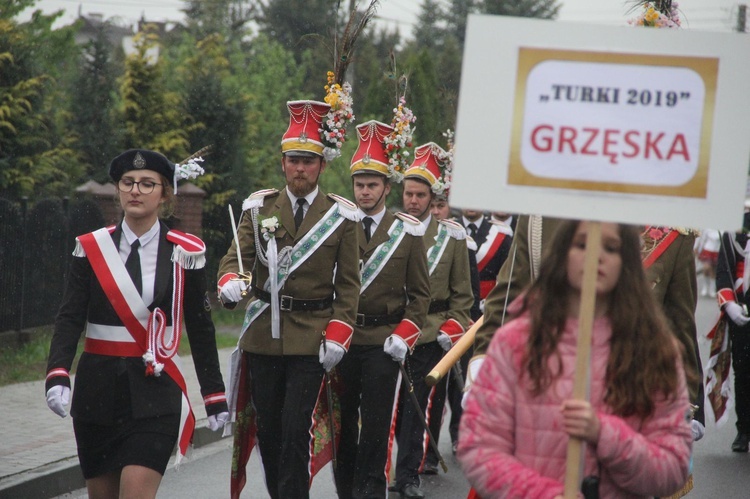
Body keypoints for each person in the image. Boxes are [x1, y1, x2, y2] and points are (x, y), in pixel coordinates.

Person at [458, 220, 693, 498]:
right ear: (562, 253)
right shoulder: (515, 343)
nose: (596, 254)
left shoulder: (654, 350)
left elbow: (672, 467)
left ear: (627, 261)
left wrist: (606, 435)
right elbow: (480, 449)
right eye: (582, 244)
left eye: (611, 247)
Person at [45, 149, 228, 498]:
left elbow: (202, 329)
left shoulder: (183, 252)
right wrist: (58, 373)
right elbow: (69, 317)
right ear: (118, 190)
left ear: (165, 194)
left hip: (154, 395)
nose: (136, 191)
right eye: (128, 183)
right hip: (96, 392)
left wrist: (213, 393)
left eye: (147, 184)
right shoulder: (92, 247)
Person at [217, 99, 361, 499]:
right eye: (294, 160)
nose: (301, 168)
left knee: (296, 430)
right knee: (269, 431)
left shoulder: (342, 218)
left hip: (311, 336)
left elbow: (349, 285)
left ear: (322, 166)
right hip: (264, 334)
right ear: (283, 163)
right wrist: (230, 281)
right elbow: (236, 258)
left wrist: (339, 332)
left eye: (309, 161)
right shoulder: (258, 208)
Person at [468, 216, 706, 431]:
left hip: (632, 390)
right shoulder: (540, 216)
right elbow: (508, 296)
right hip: (547, 385)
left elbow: (679, 323)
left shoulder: (671, 234)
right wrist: (482, 368)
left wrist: (687, 404)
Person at [335, 120, 430, 498]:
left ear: (386, 188)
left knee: (375, 426)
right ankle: (346, 489)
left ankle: (371, 490)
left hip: (382, 340)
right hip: (342, 339)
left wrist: (404, 335)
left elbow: (420, 295)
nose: (365, 192)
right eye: (359, 185)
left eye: (372, 185)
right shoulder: (338, 224)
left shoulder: (406, 232)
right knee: (343, 424)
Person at [394, 142, 473, 499]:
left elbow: (463, 298)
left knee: (416, 408)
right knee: (389, 410)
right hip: (390, 331)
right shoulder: (389, 231)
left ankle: (408, 475)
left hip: (429, 333)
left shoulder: (451, 237)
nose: (412, 200)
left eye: (419, 194)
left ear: (431, 197)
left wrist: (451, 329)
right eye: (408, 193)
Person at [713, 211, 750, 452]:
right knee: (743, 370)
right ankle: (744, 429)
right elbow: (724, 274)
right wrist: (729, 305)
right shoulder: (735, 227)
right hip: (742, 313)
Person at [694, 229, 720, 297]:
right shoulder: (708, 229)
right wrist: (698, 248)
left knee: (713, 271)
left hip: (717, 250)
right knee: (706, 268)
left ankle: (712, 288)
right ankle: (705, 286)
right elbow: (702, 239)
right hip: (708, 249)